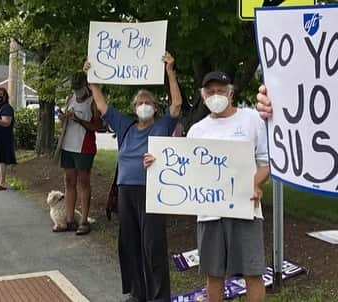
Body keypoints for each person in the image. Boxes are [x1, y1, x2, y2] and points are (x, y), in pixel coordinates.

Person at [86, 51, 182, 302]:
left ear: (155, 107)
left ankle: (159, 297)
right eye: (139, 102)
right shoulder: (125, 125)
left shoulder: (161, 126)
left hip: (151, 191)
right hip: (126, 192)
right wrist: (92, 80)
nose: (143, 105)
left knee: (153, 246)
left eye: (147, 101)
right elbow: (102, 106)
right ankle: (138, 293)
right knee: (129, 244)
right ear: (133, 108)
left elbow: (177, 106)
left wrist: (170, 72)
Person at [186, 71, 269, 302]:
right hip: (209, 213)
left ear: (230, 93)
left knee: (252, 273)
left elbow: (266, 164)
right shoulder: (196, 130)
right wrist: (156, 163)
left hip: (246, 208)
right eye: (210, 92)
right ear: (203, 96)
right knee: (214, 275)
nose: (216, 95)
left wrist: (254, 184)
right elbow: (186, 171)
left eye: (221, 91)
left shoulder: (252, 119)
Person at [55, 72, 102, 235]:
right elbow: (64, 121)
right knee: (69, 181)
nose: (76, 91)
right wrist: (63, 118)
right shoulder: (70, 98)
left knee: (83, 182)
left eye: (79, 88)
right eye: (74, 88)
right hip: (68, 144)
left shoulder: (93, 102)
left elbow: (98, 126)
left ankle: (84, 220)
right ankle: (69, 219)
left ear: (86, 85)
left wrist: (79, 120)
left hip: (84, 146)